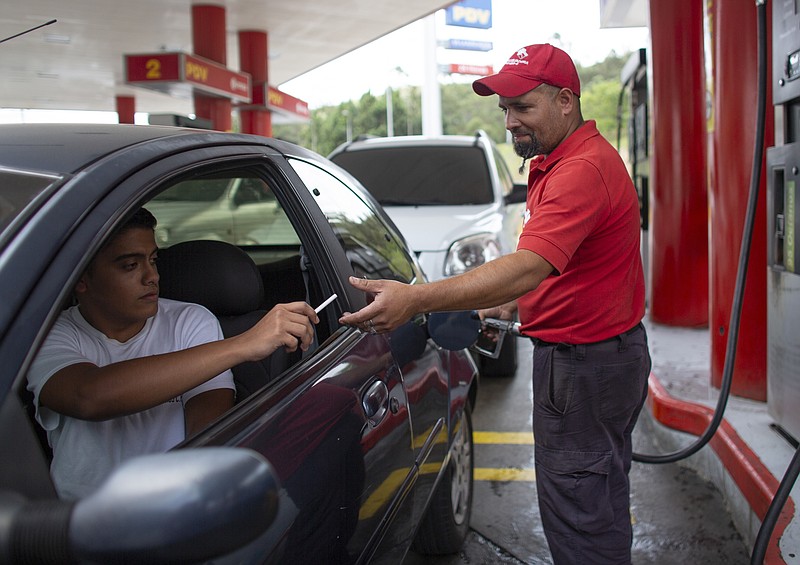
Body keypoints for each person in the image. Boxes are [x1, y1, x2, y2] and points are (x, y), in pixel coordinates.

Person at [339, 43, 651, 565]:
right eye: (505, 109)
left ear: (566, 101)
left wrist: (417, 299)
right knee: (596, 495)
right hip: (601, 358)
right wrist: (506, 306)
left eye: (523, 107)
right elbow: (569, 268)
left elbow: (530, 264)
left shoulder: (580, 171)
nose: (510, 122)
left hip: (584, 367)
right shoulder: (564, 160)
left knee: (579, 515)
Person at [27, 207, 319, 500]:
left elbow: (208, 431)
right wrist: (244, 344)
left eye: (153, 260)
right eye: (130, 265)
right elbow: (87, 396)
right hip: (79, 519)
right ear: (80, 278)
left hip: (177, 502)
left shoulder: (190, 320)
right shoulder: (49, 334)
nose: (151, 276)